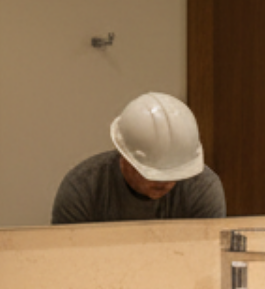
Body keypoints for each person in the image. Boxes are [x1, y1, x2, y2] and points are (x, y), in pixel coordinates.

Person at [51, 92, 226, 225]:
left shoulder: (202, 188)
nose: (165, 183)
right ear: (125, 157)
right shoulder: (83, 188)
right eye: (153, 173)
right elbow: (64, 261)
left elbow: (207, 257)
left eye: (174, 174)